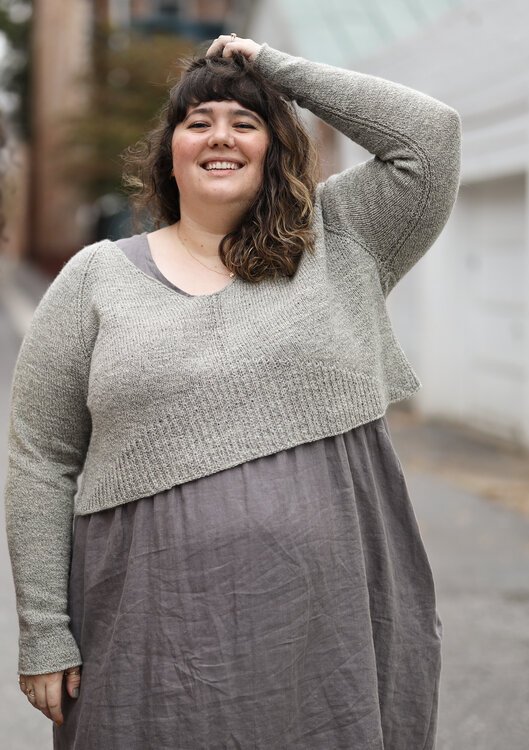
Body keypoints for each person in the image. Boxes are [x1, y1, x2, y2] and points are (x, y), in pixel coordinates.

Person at [4, 34, 461, 749]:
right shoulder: (95, 279)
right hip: (149, 637)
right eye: (199, 122)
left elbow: (430, 139)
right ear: (170, 154)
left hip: (329, 631)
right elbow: (41, 456)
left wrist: (275, 69)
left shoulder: (340, 240)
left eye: (245, 122)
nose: (221, 136)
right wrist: (44, 631)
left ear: (276, 148)